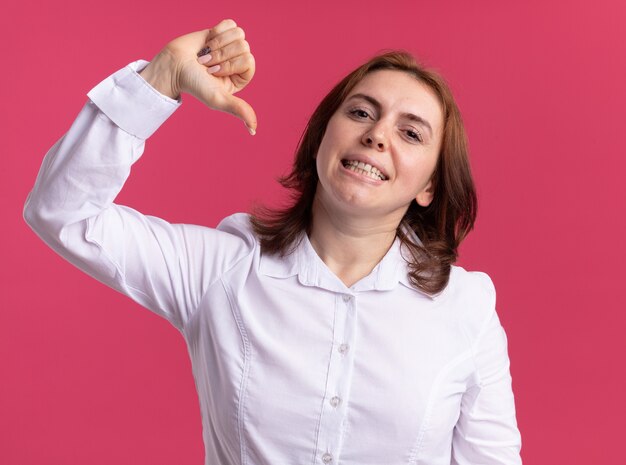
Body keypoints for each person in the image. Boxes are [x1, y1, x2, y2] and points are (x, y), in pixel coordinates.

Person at [24, 19, 522, 465]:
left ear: (429, 186)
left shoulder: (467, 310)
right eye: (361, 113)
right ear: (322, 137)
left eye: (411, 133)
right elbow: (62, 212)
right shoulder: (219, 270)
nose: (377, 136)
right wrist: (163, 76)